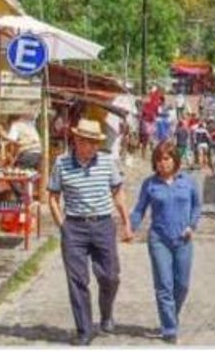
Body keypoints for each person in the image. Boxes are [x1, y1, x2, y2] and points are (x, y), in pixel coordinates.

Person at [48, 119, 133, 346]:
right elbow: (53, 197)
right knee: (77, 280)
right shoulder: (62, 163)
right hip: (74, 227)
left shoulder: (107, 162)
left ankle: (106, 314)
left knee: (110, 276)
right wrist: (63, 225)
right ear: (77, 141)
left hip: (103, 224)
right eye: (88, 142)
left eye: (96, 143)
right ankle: (84, 330)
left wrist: (126, 223)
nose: (92, 147)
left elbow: (118, 192)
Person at [128, 141, 201, 344]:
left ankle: (171, 315)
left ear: (175, 160)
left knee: (182, 285)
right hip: (159, 239)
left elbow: (196, 206)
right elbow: (139, 209)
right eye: (159, 160)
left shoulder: (188, 181)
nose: (163, 163)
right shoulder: (150, 184)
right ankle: (169, 328)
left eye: (167, 159)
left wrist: (192, 225)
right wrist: (130, 228)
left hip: (183, 239)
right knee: (164, 285)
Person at [0, 113, 42, 198]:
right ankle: (27, 197)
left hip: (29, 153)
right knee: (25, 176)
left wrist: (2, 134)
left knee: (11, 176)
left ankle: (22, 197)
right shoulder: (28, 124)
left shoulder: (15, 125)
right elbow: (20, 148)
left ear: (10, 122)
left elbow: (12, 140)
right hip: (37, 154)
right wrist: (13, 162)